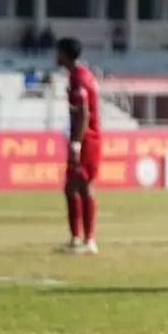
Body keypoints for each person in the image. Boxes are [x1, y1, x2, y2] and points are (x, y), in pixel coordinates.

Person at [55, 37, 101, 253]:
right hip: (82, 137)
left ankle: (89, 241)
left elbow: (84, 113)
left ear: (64, 54)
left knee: (84, 186)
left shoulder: (80, 78)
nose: (56, 56)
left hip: (87, 139)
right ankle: (76, 238)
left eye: (58, 52)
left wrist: (76, 144)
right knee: (71, 187)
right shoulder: (77, 75)